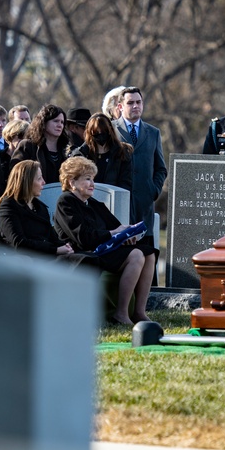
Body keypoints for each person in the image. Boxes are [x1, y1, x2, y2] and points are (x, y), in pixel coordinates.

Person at [53, 157, 154, 325]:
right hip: (84, 252)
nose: (93, 183)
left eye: (93, 178)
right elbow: (82, 237)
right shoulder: (66, 202)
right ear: (72, 182)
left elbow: (116, 227)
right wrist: (114, 232)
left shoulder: (93, 203)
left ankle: (139, 312)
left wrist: (128, 234)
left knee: (149, 253)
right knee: (136, 255)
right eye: (87, 179)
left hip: (104, 249)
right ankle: (121, 314)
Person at [0, 160, 83, 261]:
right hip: (30, 262)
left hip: (49, 256)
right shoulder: (8, 207)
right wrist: (55, 249)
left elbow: (51, 236)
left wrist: (65, 246)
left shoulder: (39, 207)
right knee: (83, 262)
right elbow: (18, 243)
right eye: (39, 178)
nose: (43, 182)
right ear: (27, 182)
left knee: (91, 258)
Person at [113, 87, 167, 248]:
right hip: (118, 205)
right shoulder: (111, 129)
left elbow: (161, 169)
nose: (135, 106)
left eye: (138, 102)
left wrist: (153, 190)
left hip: (144, 207)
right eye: (130, 103)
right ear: (120, 106)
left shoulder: (153, 133)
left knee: (146, 256)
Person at [69, 113, 133, 191]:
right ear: (90, 133)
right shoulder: (80, 155)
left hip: (113, 199)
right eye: (96, 132)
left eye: (104, 131)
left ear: (109, 130)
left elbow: (125, 182)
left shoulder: (121, 153)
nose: (100, 135)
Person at [9, 103, 67, 184]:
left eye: (62, 122)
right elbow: (16, 174)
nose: (60, 125)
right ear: (44, 122)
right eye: (56, 121)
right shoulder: (28, 146)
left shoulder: (67, 149)